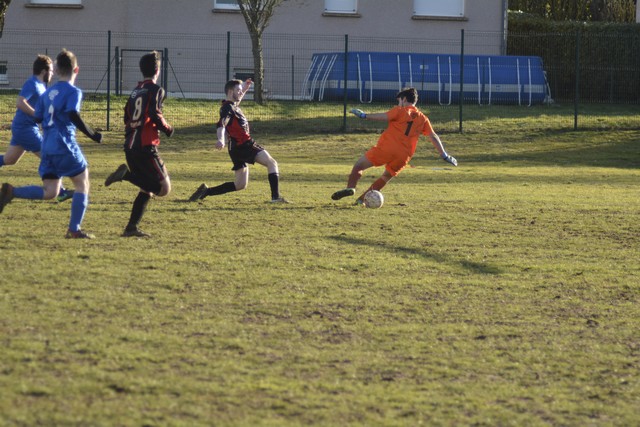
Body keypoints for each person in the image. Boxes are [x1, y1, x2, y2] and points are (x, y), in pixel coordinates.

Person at [0, 49, 103, 238]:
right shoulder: (73, 92)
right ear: (76, 70)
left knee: (51, 191)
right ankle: (74, 230)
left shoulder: (47, 94)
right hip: (64, 145)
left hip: (47, 147)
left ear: (56, 70)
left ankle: (12, 192)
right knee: (82, 183)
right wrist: (93, 134)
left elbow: (38, 117)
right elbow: (73, 113)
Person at [331, 87, 458, 205]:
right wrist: (444, 155)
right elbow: (433, 136)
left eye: (399, 101)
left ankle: (351, 188)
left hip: (387, 148)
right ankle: (361, 201)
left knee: (359, 165)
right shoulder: (423, 118)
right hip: (404, 156)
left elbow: (383, 116)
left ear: (404, 99)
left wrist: (364, 116)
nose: (398, 103)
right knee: (386, 177)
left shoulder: (400, 111)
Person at [103, 51, 174, 238]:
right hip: (146, 146)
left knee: (146, 188)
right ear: (157, 70)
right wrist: (167, 128)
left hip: (130, 145)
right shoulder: (156, 89)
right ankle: (125, 175)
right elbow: (154, 112)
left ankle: (131, 228)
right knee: (163, 189)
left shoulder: (135, 92)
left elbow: (127, 116)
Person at [187, 78, 288, 203]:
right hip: (244, 144)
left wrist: (245, 87)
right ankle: (276, 198)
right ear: (230, 91)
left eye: (241, 91)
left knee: (240, 185)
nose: (241, 93)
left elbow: (237, 101)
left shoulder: (231, 106)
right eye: (238, 90)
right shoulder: (227, 108)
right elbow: (221, 124)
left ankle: (206, 192)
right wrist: (221, 139)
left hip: (235, 148)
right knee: (272, 163)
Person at [0, 54, 73, 202]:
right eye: (51, 70)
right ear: (43, 71)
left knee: (10, 159)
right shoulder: (32, 83)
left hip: (23, 127)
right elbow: (20, 102)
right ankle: (60, 192)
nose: (52, 74)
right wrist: (37, 115)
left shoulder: (41, 86)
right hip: (25, 129)